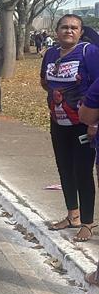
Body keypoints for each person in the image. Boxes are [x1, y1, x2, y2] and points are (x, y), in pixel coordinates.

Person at [40, 14, 99, 242]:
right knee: (64, 168)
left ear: (81, 31)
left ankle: (87, 222)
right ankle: (71, 215)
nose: (69, 31)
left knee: (83, 172)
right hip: (58, 123)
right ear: (57, 31)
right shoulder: (52, 54)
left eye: (74, 28)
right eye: (64, 27)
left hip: (83, 125)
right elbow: (44, 81)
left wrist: (94, 122)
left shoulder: (89, 52)